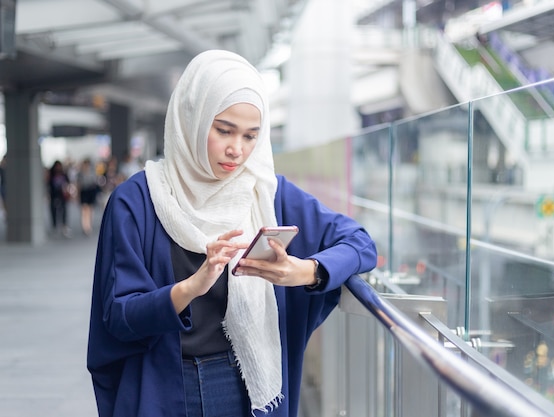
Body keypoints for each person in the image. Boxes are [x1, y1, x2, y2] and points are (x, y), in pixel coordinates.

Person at [87, 50, 377, 417]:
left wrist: (306, 272)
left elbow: (360, 242)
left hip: (243, 389)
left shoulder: (266, 193)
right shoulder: (138, 201)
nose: (236, 150)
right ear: (191, 118)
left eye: (250, 136)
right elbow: (119, 315)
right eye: (223, 130)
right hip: (163, 387)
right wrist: (192, 286)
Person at [47, 159, 71, 237]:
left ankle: (64, 225)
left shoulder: (64, 174)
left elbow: (68, 183)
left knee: (63, 210)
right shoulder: (52, 175)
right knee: (54, 211)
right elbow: (49, 185)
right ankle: (55, 225)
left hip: (62, 196)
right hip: (54, 196)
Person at [76, 157, 100, 236]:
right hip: (84, 192)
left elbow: (95, 182)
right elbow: (79, 185)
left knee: (90, 209)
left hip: (90, 192)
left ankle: (88, 225)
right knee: (84, 209)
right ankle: (85, 226)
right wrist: (78, 194)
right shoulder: (80, 173)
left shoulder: (92, 172)